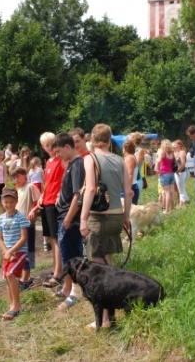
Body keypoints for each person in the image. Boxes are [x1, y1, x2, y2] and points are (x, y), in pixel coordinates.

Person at [80, 123, 132, 329]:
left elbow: (91, 189)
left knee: (100, 271)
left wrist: (83, 219)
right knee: (109, 264)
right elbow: (128, 192)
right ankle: (114, 309)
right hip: (117, 216)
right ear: (110, 140)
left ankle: (105, 319)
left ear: (93, 140)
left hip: (98, 217)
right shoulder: (120, 160)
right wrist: (126, 217)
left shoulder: (90, 159)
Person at [51, 132, 85, 310]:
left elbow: (78, 195)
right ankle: (70, 288)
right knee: (67, 255)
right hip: (63, 215)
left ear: (67, 147)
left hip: (68, 219)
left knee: (71, 257)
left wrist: (69, 218)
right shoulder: (71, 164)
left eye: (58, 151)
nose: (57, 155)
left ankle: (75, 292)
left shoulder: (78, 165)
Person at [27, 132, 65, 287]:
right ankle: (56, 268)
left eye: (52, 144)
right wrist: (42, 195)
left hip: (55, 202)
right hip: (46, 201)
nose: (50, 148)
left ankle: (58, 272)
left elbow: (63, 181)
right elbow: (48, 182)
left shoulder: (62, 160)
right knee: (50, 237)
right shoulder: (48, 161)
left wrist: (60, 195)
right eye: (47, 145)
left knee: (56, 237)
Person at [0, 187, 30, 321]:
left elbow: (23, 238)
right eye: (6, 202)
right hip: (7, 252)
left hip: (19, 252)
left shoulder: (20, 218)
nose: (8, 205)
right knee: (8, 279)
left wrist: (11, 251)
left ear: (16, 201)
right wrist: (6, 252)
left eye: (11, 202)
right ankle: (12, 305)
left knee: (10, 275)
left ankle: (16, 306)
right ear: (2, 203)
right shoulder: (1, 219)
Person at [10, 166, 41, 291]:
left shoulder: (30, 186)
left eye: (18, 177)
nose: (16, 180)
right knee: (20, 251)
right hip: (18, 224)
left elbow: (40, 201)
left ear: (24, 175)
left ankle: (25, 279)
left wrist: (33, 210)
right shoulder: (18, 189)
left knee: (28, 250)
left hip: (27, 224)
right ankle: (23, 276)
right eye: (14, 178)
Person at [155, 139, 176, 213]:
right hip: (171, 173)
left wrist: (157, 169)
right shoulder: (172, 154)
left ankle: (166, 210)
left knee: (166, 192)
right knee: (171, 192)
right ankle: (172, 208)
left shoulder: (163, 152)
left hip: (164, 173)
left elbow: (159, 161)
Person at [122, 139, 140, 205]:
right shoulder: (130, 157)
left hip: (130, 186)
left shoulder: (129, 158)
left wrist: (128, 188)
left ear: (125, 148)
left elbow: (130, 174)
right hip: (130, 186)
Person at [173, 139, 189, 207]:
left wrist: (178, 171)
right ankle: (183, 202)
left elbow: (183, 164)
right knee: (179, 189)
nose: (173, 146)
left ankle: (182, 204)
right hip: (176, 172)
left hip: (181, 172)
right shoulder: (174, 153)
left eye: (175, 145)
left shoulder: (182, 152)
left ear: (179, 145)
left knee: (181, 189)